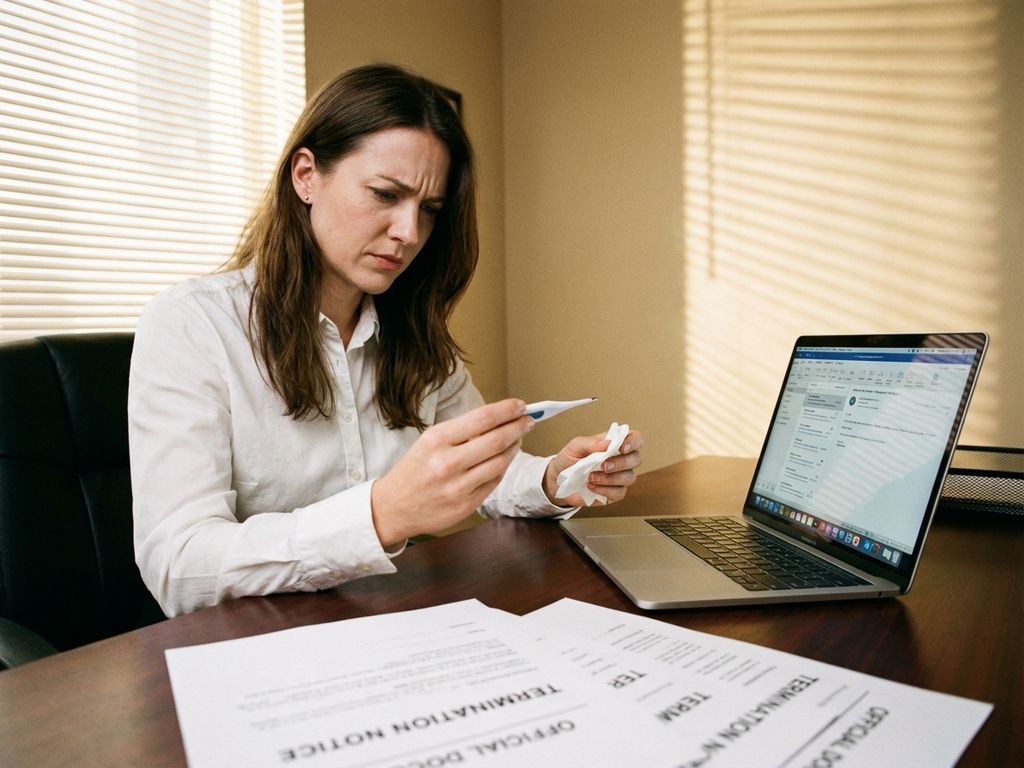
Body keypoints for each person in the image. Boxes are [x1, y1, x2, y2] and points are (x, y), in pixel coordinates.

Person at [128, 63, 644, 617]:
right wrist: (381, 515)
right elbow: (178, 564)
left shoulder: (415, 335)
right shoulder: (192, 325)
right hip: (259, 647)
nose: (410, 232)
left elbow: (477, 476)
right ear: (306, 176)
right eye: (384, 194)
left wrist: (550, 478)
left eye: (429, 210)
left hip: (392, 621)